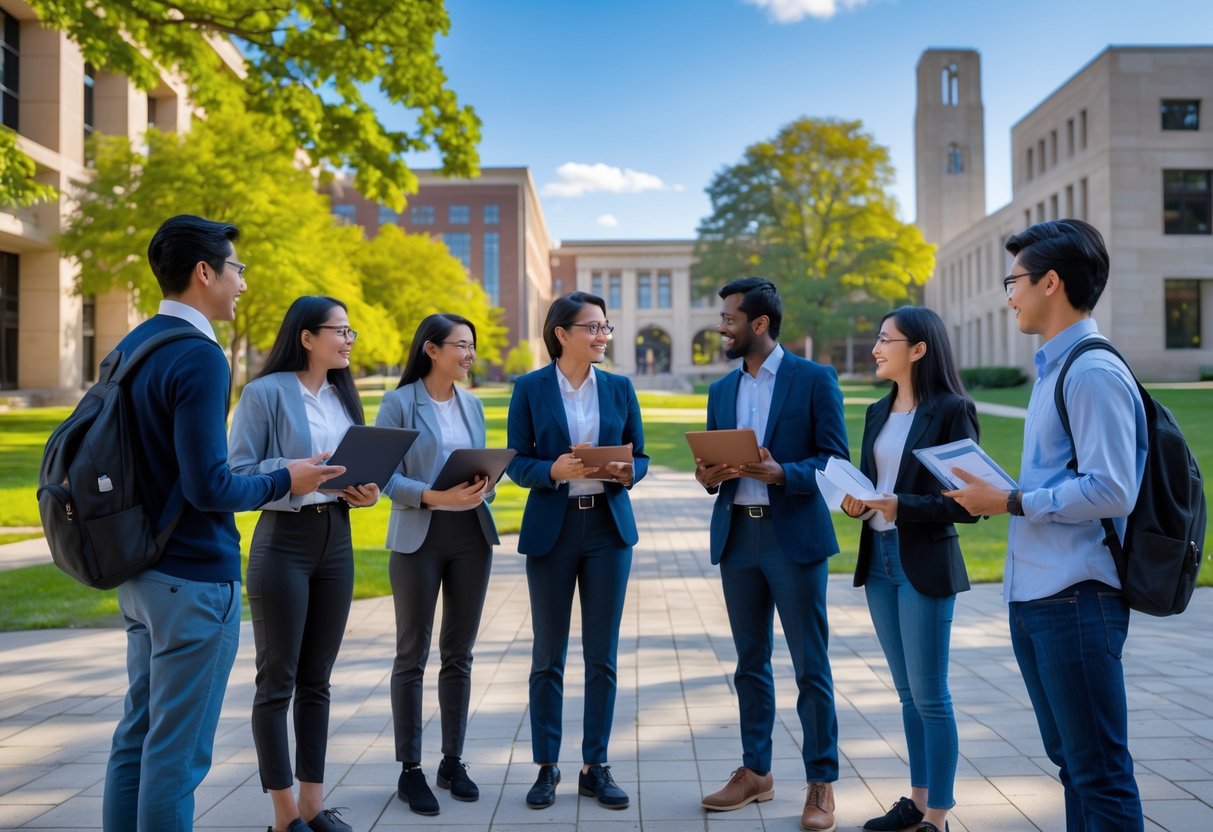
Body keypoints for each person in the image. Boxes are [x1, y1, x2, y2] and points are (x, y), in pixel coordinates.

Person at [101, 216, 343, 832]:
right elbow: (212, 485)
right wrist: (286, 478)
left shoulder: (131, 346)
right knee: (177, 756)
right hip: (192, 580)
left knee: (137, 738)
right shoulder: (200, 355)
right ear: (204, 272)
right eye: (236, 270)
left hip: (140, 573)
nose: (242, 283)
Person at [944, 219, 1148, 831]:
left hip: (1077, 598)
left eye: (1015, 281)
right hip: (1039, 595)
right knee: (1073, 766)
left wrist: (1010, 500)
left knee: (1099, 773)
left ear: (1051, 282)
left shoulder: (1091, 372)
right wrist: (1004, 492)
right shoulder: (1055, 371)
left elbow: (1113, 488)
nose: (1009, 295)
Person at [696, 277, 849, 832]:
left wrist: (784, 472)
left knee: (811, 665)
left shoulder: (814, 380)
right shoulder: (720, 390)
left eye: (730, 319)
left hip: (794, 538)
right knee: (750, 664)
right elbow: (711, 468)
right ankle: (756, 772)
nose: (722, 327)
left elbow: (835, 462)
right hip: (738, 537)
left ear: (759, 324)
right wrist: (708, 474)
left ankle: (821, 781)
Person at [228, 296, 379, 832]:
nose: (347, 339)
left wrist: (366, 492)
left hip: (335, 537)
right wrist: (292, 471)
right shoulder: (264, 392)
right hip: (282, 541)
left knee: (318, 679)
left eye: (350, 331)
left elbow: (356, 470)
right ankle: (283, 814)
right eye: (338, 330)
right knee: (278, 681)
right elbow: (238, 471)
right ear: (307, 337)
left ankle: (315, 807)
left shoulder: (344, 396)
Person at [506, 291, 648, 811]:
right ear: (561, 334)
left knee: (602, 657)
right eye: (592, 327)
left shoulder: (619, 387)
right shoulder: (529, 388)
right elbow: (516, 461)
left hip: (609, 533)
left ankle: (596, 765)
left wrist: (633, 471)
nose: (602, 336)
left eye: (605, 327)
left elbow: (642, 452)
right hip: (553, 530)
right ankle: (547, 766)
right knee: (548, 656)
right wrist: (550, 472)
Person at [840, 306, 979, 832]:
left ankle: (937, 817)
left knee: (931, 695)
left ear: (918, 349)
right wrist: (859, 502)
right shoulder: (878, 412)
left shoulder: (952, 410)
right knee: (905, 694)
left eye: (885, 340)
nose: (876, 348)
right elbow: (874, 486)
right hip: (878, 561)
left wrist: (902, 506)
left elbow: (968, 502)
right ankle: (918, 802)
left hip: (924, 561)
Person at [374, 313, 500, 816]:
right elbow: (383, 476)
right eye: (461, 346)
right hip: (418, 537)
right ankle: (410, 771)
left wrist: (486, 483)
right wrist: (434, 496)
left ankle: (453, 760)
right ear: (431, 349)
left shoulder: (472, 404)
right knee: (412, 655)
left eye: (472, 346)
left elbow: (484, 466)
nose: (470, 354)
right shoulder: (398, 403)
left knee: (459, 652)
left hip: (472, 536)